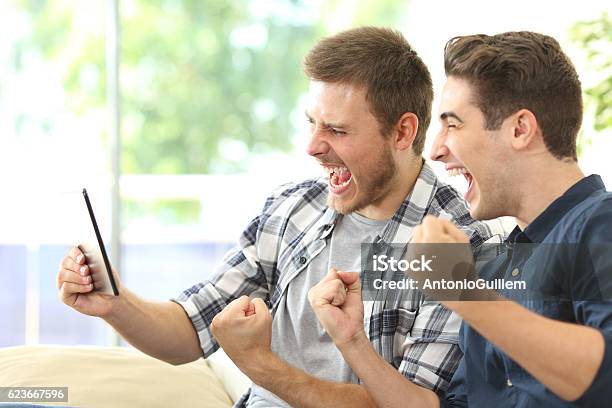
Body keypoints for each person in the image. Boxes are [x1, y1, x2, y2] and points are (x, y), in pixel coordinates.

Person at [57, 27, 499, 407]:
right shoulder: (294, 208)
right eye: (312, 123)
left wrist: (258, 364)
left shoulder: (460, 247)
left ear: (403, 131)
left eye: (337, 130)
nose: (313, 146)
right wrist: (116, 305)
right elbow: (191, 328)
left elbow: (407, 401)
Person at [310, 30, 612, 407]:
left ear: (520, 129)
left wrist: (462, 291)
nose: (435, 150)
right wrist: (352, 341)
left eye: (453, 125)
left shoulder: (600, 225)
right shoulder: (495, 265)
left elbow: (605, 376)